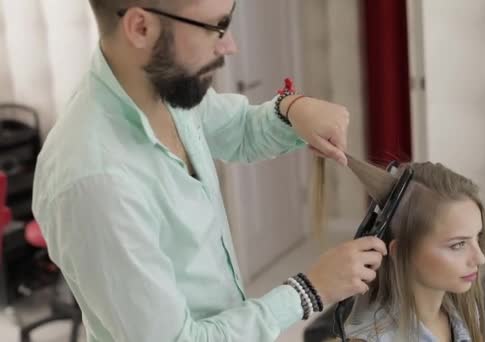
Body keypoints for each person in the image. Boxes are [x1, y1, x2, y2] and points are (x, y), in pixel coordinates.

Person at [31, 0, 387, 341]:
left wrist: (293, 110)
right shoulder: (94, 181)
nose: (230, 46)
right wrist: (309, 290)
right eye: (216, 26)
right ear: (141, 27)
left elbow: (240, 130)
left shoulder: (166, 89)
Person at [343, 161, 485, 342]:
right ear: (399, 252)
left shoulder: (466, 312)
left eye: (477, 237)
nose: (480, 258)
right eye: (458, 245)